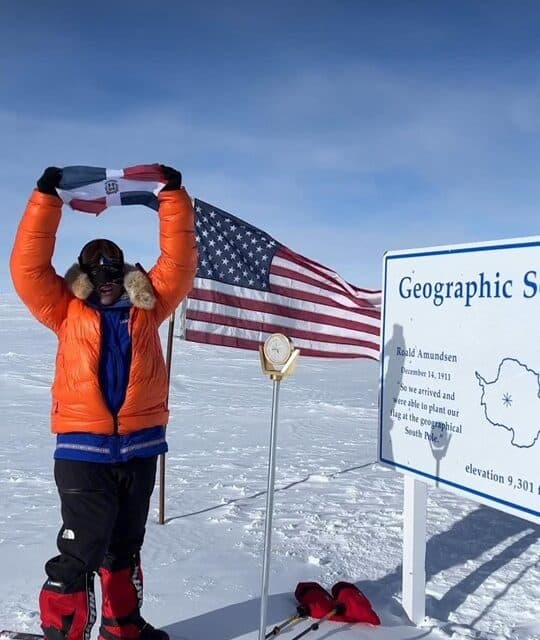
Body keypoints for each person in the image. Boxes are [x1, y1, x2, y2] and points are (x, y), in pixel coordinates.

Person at [10, 165, 198, 640]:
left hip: (140, 447)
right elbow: (27, 269)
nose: (106, 282)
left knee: (124, 547)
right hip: (82, 450)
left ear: (125, 272)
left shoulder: (148, 306)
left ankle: (122, 628)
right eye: (96, 275)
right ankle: (63, 633)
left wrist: (172, 197)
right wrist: (46, 199)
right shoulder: (64, 309)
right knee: (79, 552)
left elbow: (179, 261)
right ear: (83, 277)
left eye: (113, 273)